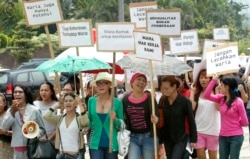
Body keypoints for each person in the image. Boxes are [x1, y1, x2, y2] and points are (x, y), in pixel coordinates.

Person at [204, 74, 249, 159]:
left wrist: (235, 122)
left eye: (221, 85)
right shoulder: (221, 98)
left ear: (227, 87)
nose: (219, 87)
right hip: (223, 136)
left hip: (236, 137)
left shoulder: (238, 102)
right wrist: (213, 80)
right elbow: (206, 95)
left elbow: (245, 122)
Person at [122, 72, 159, 159]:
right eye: (138, 79)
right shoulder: (125, 99)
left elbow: (158, 117)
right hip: (132, 137)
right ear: (132, 82)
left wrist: (156, 119)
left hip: (148, 137)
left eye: (143, 80)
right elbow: (123, 116)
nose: (141, 82)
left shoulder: (150, 99)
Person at [2, 84, 45, 159]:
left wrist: (34, 134)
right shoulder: (11, 110)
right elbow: (4, 128)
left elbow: (42, 129)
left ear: (25, 94)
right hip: (17, 151)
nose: (17, 94)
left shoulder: (34, 110)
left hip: (33, 149)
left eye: (20, 92)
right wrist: (12, 113)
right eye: (15, 92)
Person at [158, 76, 197, 159]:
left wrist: (193, 139)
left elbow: (191, 120)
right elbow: (160, 119)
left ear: (174, 87)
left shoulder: (185, 101)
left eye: (166, 88)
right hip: (167, 138)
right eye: (162, 88)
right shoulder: (162, 101)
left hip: (181, 137)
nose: (164, 91)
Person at [88, 72, 123, 159]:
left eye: (104, 83)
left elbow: (122, 126)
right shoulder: (91, 101)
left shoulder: (117, 102)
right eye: (99, 83)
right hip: (95, 143)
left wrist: (115, 119)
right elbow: (90, 120)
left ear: (110, 85)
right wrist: (85, 127)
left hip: (112, 144)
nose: (101, 86)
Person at [43, 93, 88, 159]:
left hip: (76, 155)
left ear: (75, 103)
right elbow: (46, 116)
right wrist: (57, 105)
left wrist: (80, 104)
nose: (68, 103)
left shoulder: (79, 118)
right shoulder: (60, 119)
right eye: (66, 101)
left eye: (70, 101)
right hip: (61, 155)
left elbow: (85, 122)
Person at [190, 69, 220, 159]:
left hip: (213, 130)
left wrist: (217, 92)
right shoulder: (197, 93)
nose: (203, 80)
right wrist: (192, 91)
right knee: (200, 156)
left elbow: (218, 108)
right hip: (199, 130)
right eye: (201, 77)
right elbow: (191, 108)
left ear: (211, 79)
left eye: (206, 77)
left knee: (213, 157)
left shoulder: (216, 92)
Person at [0, 93, 13, 159]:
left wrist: (6, 132)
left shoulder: (9, 115)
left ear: (5, 104)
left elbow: (18, 131)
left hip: (8, 147)